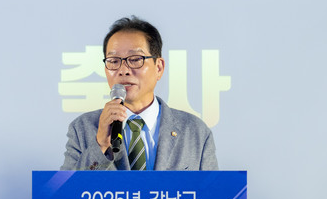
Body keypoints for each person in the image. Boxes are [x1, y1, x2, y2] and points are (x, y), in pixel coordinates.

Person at [61, 16, 218, 171]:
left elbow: (212, 188)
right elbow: (65, 187)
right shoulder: (82, 128)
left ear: (159, 68)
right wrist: (100, 144)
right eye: (114, 61)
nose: (123, 70)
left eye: (135, 59)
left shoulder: (195, 132)